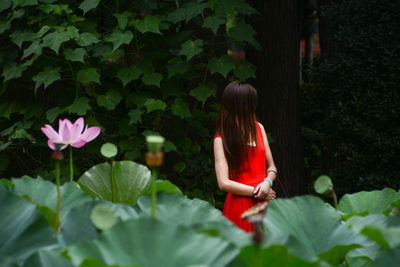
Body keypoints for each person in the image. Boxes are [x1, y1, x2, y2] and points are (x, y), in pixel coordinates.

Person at [213, 81, 277, 232]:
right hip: (239, 206)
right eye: (250, 102)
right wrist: (258, 192)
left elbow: (271, 166)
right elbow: (223, 183)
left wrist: (267, 183)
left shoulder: (259, 128)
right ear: (241, 105)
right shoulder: (221, 139)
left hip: (264, 203)